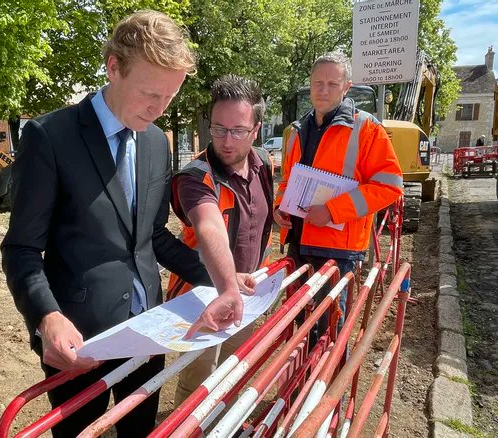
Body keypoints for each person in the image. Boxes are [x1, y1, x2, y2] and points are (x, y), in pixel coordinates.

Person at [0, 10, 215, 437]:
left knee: (139, 429)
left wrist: (220, 277)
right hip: (81, 340)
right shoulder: (50, 137)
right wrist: (48, 318)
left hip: (149, 330)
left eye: (169, 97)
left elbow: (151, 237)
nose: (158, 108)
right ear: (113, 67)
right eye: (149, 93)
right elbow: (21, 249)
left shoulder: (155, 141)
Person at [274, 51, 403, 343]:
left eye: (332, 84)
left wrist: (333, 210)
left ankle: (331, 389)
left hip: (337, 251)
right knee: (298, 326)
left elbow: (390, 185)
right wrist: (279, 206)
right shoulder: (297, 131)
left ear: (347, 86)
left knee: (327, 332)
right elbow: (287, 180)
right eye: (318, 83)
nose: (323, 90)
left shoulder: (367, 128)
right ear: (310, 84)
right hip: (297, 241)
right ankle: (298, 390)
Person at [166, 75, 275, 406]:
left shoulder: (264, 163)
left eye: (238, 130)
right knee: (199, 377)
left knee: (235, 368)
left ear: (256, 130)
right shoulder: (195, 177)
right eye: (218, 129)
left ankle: (223, 423)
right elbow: (209, 227)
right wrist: (227, 288)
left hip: (249, 290)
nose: (227, 141)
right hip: (203, 297)